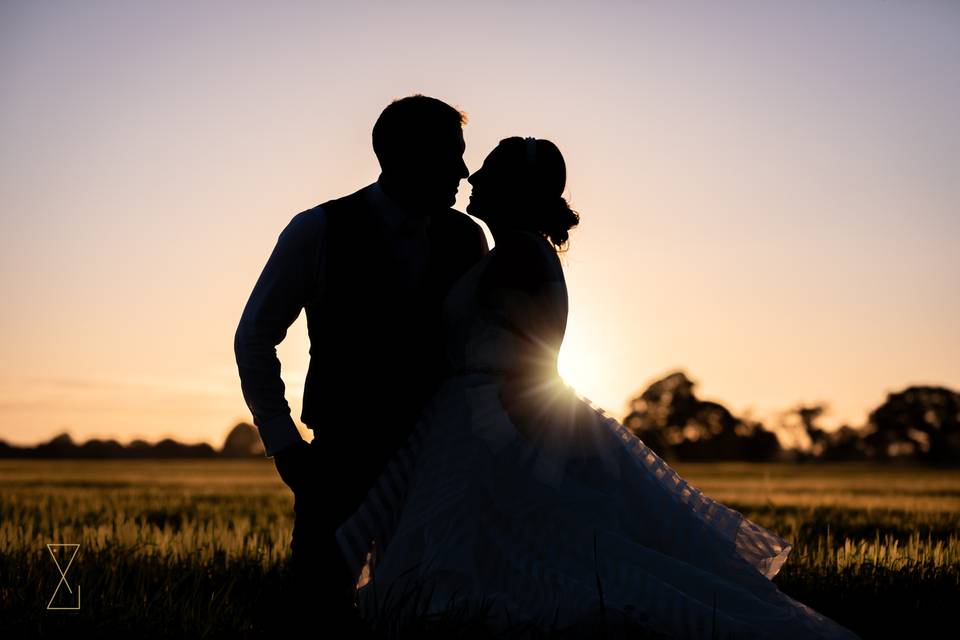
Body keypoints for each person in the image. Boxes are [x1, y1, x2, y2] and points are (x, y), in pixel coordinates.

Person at [330, 136, 863, 639]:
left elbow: (530, 355)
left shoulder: (518, 252)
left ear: (513, 190)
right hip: (475, 416)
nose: (473, 176)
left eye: (488, 170)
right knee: (498, 553)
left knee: (529, 554)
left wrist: (507, 440)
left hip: (495, 420)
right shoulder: (511, 251)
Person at [233, 94, 488, 633]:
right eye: (452, 154)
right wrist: (283, 445)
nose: (465, 171)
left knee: (431, 615)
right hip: (339, 465)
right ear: (404, 156)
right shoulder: (317, 230)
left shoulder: (467, 240)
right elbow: (254, 338)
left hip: (438, 466)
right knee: (318, 613)